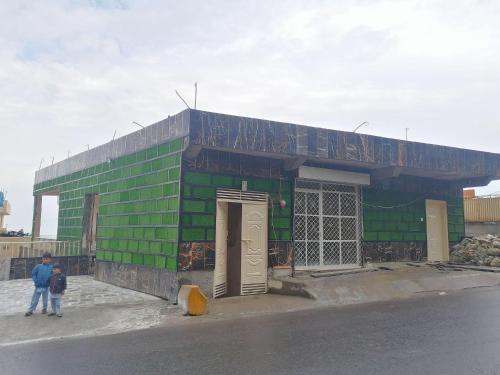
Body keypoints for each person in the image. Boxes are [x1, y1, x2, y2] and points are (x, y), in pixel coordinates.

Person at [25, 252, 53, 316]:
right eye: (44, 259)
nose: (45, 260)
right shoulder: (38, 266)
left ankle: (44, 309)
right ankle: (31, 310)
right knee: (35, 299)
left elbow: (53, 275)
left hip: (46, 286)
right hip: (38, 286)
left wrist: (50, 282)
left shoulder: (51, 267)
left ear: (50, 260)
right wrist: (36, 281)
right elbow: (33, 274)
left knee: (45, 299)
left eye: (47, 259)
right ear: (42, 259)